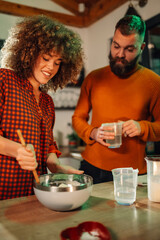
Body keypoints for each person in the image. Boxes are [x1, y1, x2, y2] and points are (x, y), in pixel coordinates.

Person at [0, 15, 84, 200]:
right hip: (4, 191)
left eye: (57, 62)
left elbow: (47, 146)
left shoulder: (47, 102)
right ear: (28, 53)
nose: (51, 67)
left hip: (33, 194)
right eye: (46, 58)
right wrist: (17, 150)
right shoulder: (4, 80)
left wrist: (56, 166)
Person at [72, 15, 160, 184]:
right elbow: (78, 118)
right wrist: (93, 132)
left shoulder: (154, 83)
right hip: (92, 167)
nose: (120, 54)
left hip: (132, 172)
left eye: (129, 49)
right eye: (116, 46)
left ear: (141, 48)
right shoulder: (93, 78)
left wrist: (142, 127)